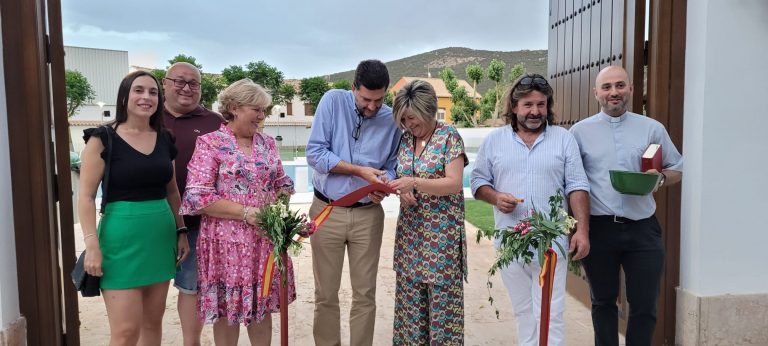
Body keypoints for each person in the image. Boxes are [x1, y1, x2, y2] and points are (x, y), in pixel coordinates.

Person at [470, 74, 591, 346]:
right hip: (510, 242)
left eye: (541, 104)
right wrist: (495, 197)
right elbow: (477, 183)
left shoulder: (564, 139)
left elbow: (577, 186)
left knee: (551, 313)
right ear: (514, 107)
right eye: (528, 105)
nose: (535, 111)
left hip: (552, 243)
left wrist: (582, 230)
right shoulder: (494, 140)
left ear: (548, 106)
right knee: (523, 311)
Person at [569, 66, 683, 346]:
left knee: (645, 305)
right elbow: (570, 180)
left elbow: (677, 168)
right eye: (606, 87)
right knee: (602, 302)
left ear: (631, 88)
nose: (614, 92)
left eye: (620, 85)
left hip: (643, 229)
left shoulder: (652, 128)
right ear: (596, 93)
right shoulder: (579, 133)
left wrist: (659, 178)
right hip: (599, 228)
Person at [179, 79, 295, 346]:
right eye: (256, 109)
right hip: (225, 244)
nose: (262, 116)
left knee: (261, 308)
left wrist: (279, 211)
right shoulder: (210, 143)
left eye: (264, 110)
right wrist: (247, 213)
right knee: (226, 313)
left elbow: (282, 183)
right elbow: (198, 196)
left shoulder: (267, 143)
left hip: (262, 242)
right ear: (234, 108)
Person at [78, 70, 189, 345]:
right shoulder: (102, 138)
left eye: (153, 92)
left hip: (160, 238)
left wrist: (181, 230)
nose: (146, 97)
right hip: (119, 240)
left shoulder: (165, 138)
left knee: (152, 324)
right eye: (138, 90)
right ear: (124, 96)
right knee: (126, 331)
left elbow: (172, 190)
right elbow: (86, 197)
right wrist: (92, 244)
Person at [306, 59, 401, 346]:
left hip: (368, 215)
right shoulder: (332, 101)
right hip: (327, 211)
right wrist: (358, 171)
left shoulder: (391, 119)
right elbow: (315, 154)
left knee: (365, 294)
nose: (372, 107)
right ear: (353, 88)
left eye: (379, 100)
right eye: (366, 99)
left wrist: (384, 184)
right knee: (326, 293)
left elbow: (394, 165)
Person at [387, 80, 467, 345]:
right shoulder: (405, 139)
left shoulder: (449, 136)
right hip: (410, 239)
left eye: (411, 118)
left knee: (443, 318)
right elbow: (401, 176)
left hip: (441, 242)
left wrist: (414, 183)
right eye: (403, 119)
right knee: (410, 316)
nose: (407, 124)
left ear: (428, 110)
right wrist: (402, 191)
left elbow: (454, 183)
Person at [162, 62, 224, 346]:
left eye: (194, 83)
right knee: (148, 290)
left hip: (197, 223)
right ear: (165, 84)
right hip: (153, 219)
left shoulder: (215, 122)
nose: (186, 88)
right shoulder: (147, 116)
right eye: (179, 81)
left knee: (191, 288)